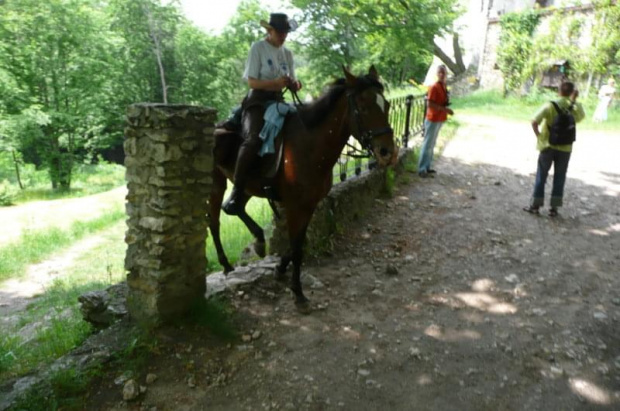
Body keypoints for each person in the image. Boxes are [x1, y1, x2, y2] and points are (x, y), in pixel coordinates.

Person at [222, 13, 302, 215]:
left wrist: (295, 84)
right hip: (257, 100)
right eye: (280, 32)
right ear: (269, 30)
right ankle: (237, 193)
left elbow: (295, 81)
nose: (283, 36)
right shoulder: (258, 48)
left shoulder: (288, 54)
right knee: (252, 140)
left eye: (286, 32)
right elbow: (251, 82)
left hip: (278, 101)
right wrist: (274, 83)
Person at [523, 82, 585, 217]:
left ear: (558, 91)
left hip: (547, 145)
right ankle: (554, 208)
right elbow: (579, 119)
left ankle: (535, 205)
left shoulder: (549, 105)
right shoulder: (576, 106)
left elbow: (534, 121)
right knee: (560, 176)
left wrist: (539, 136)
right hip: (566, 148)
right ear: (572, 92)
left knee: (541, 175)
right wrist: (573, 101)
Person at [418, 65, 454, 178]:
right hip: (432, 118)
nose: (442, 74)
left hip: (439, 118)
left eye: (444, 72)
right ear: (437, 74)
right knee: (428, 143)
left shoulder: (443, 86)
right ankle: (422, 169)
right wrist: (445, 109)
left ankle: (427, 166)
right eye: (440, 72)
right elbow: (430, 104)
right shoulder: (434, 87)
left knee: (432, 144)